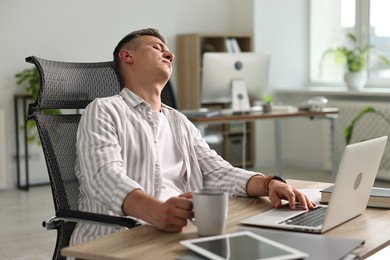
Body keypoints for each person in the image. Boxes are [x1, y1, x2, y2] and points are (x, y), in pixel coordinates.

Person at [69, 28, 316, 246]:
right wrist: (155, 211)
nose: (170, 54)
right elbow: (103, 177)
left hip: (175, 234)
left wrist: (270, 183)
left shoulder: (179, 122)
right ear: (127, 56)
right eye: (157, 47)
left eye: (168, 51)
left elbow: (217, 172)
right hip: (116, 241)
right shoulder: (104, 109)